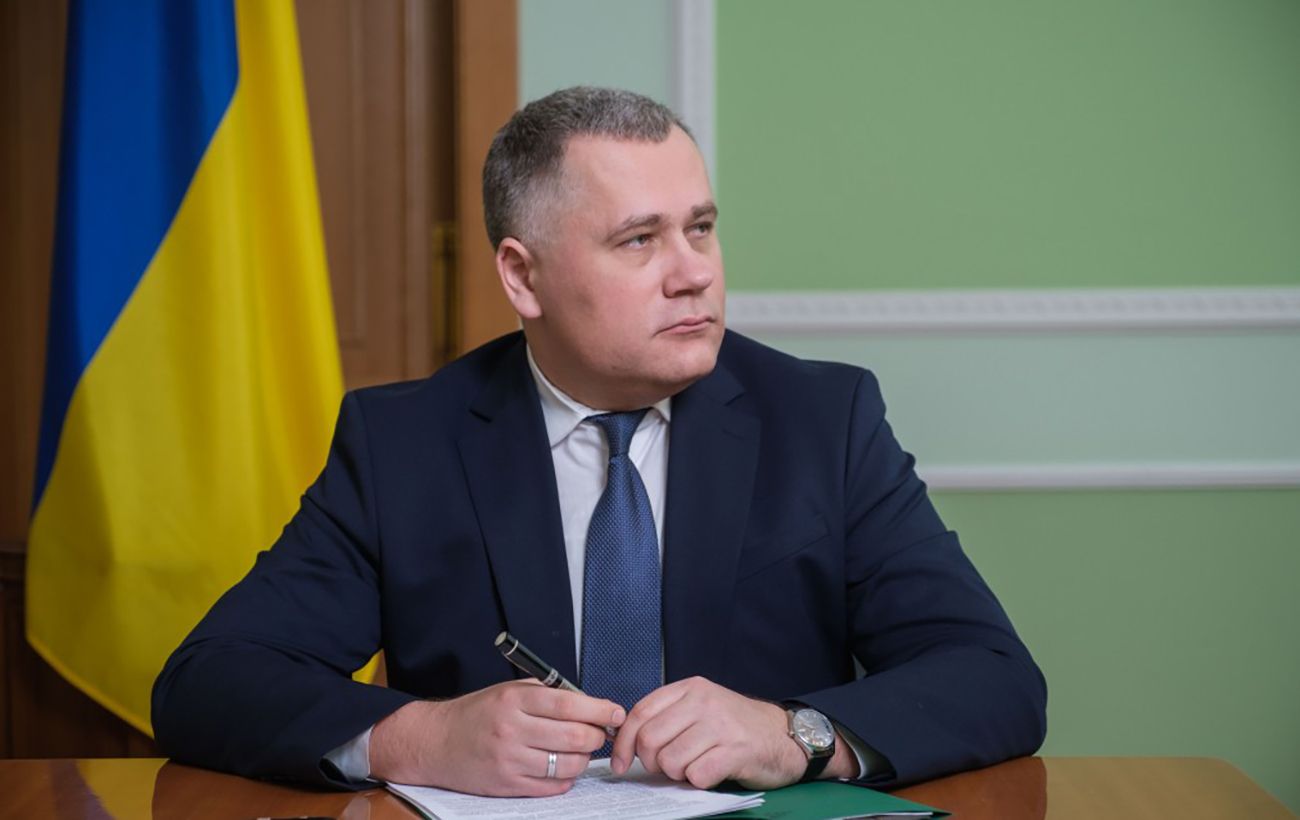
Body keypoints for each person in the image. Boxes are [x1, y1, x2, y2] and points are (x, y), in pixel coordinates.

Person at [153, 86, 1046, 795]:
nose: (693, 273)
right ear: (522, 277)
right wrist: (420, 736)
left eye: (700, 228)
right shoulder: (405, 443)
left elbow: (994, 677)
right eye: (639, 240)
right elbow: (208, 682)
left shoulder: (823, 419)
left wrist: (795, 733)